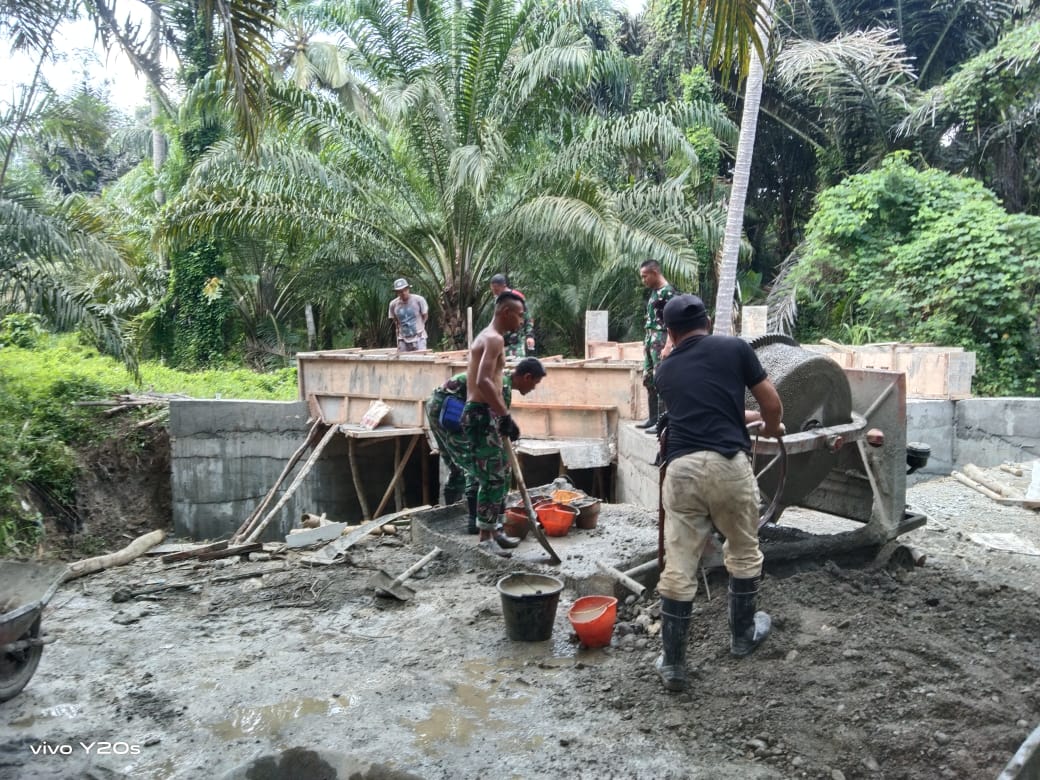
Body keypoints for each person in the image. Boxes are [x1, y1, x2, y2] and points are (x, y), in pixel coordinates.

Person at [652, 294, 784, 692]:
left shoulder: (664, 371)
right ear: (708, 322)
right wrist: (773, 425)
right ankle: (742, 636)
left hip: (682, 471)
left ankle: (673, 664)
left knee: (679, 564)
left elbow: (699, 409)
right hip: (728, 465)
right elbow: (771, 401)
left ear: (671, 333)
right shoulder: (735, 348)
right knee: (743, 550)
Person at [425, 358, 546, 533]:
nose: (534, 388)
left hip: (448, 408)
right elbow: (491, 424)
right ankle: (474, 520)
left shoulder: (503, 382)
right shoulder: (502, 386)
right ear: (527, 377)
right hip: (446, 410)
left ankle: (458, 510)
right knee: (476, 462)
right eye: (535, 383)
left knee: (468, 462)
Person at [463, 291, 529, 557]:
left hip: (487, 413)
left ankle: (496, 530)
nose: (522, 321)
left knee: (500, 475)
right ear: (506, 313)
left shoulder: (492, 338)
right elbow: (483, 381)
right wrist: (504, 415)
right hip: (481, 414)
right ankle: (484, 539)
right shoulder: (493, 338)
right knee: (491, 477)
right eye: (520, 315)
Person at [638, 259, 677, 434]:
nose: (643, 280)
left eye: (645, 276)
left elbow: (672, 321)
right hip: (650, 340)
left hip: (661, 339)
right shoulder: (655, 292)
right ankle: (653, 417)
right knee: (649, 379)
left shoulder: (668, 293)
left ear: (655, 273)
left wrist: (669, 345)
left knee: (661, 379)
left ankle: (662, 421)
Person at [490, 273, 535, 357]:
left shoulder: (517, 297)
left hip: (516, 342)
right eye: (492, 289)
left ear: (503, 286)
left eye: (496, 289)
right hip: (502, 342)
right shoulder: (497, 300)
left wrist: (530, 336)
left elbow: (528, 318)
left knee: (517, 366)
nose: (494, 292)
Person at [388, 278, 429, 351]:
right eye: (400, 291)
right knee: (404, 360)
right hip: (403, 338)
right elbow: (395, 320)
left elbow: (425, 315)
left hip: (419, 337)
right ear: (397, 292)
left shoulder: (419, 300)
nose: (403, 293)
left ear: (408, 289)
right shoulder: (393, 304)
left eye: (405, 290)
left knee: (422, 359)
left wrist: (419, 326)